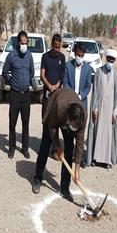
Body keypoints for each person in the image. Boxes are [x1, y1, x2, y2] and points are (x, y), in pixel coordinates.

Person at [32, 88, 86, 202]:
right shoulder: (60, 108)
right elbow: (52, 128)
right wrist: (57, 147)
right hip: (53, 111)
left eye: (76, 128)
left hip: (67, 113)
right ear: (68, 119)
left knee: (69, 150)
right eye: (73, 126)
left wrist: (77, 169)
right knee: (45, 145)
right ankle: (37, 178)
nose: (75, 129)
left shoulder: (81, 118)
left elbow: (80, 144)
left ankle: (65, 187)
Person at [32, 34, 65, 187]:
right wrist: (49, 86)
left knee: (57, 128)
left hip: (57, 97)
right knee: (47, 130)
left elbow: (62, 75)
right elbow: (42, 74)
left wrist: (57, 86)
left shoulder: (62, 57)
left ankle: (55, 148)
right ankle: (38, 176)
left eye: (59, 47)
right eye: (55, 46)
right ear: (52, 44)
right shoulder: (45, 56)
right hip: (47, 97)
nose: (57, 49)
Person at [85, 49, 117, 169]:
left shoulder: (116, 76)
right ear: (106, 59)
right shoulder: (99, 72)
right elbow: (95, 92)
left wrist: (115, 112)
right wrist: (94, 108)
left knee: (108, 134)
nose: (110, 62)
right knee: (96, 131)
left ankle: (106, 160)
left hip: (109, 110)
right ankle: (94, 158)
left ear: (114, 61)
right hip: (99, 109)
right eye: (109, 60)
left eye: (112, 60)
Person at [3, 31, 34, 159]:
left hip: (26, 95)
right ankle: (11, 148)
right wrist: (12, 81)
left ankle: (25, 148)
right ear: (18, 43)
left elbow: (32, 72)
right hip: (15, 94)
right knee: (12, 123)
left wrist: (26, 81)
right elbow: (5, 72)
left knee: (25, 123)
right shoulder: (11, 56)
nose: (24, 45)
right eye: (22, 43)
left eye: (26, 43)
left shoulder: (29, 56)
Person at [63, 43, 92, 111]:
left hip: (82, 102)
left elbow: (88, 86)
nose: (80, 58)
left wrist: (80, 96)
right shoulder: (68, 66)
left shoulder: (88, 68)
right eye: (78, 55)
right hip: (69, 101)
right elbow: (65, 82)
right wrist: (72, 95)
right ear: (75, 54)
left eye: (82, 56)